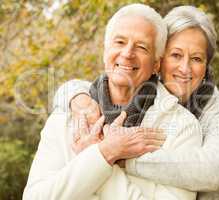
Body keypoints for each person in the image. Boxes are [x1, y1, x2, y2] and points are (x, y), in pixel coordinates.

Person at [57, 5, 219, 200]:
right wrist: (76, 96)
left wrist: (120, 155)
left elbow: (216, 170)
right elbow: (84, 87)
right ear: (158, 59)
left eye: (196, 58)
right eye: (176, 55)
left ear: (206, 65)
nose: (185, 68)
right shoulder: (143, 92)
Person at [23, 4, 205, 200]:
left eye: (141, 47)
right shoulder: (67, 114)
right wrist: (105, 152)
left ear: (156, 64)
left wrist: (100, 155)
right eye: (120, 42)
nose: (127, 53)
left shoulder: (182, 127)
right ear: (105, 51)